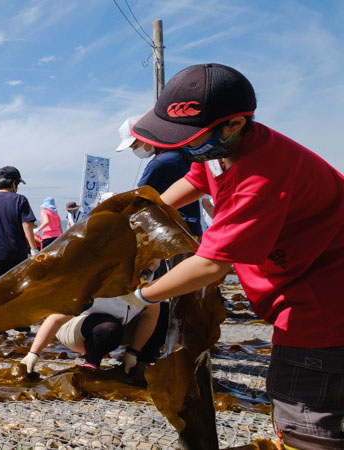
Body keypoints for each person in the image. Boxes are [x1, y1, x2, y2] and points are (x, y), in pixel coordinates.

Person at [123, 63, 344, 449]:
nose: (180, 146)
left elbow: (211, 264)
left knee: (303, 416)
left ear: (235, 124)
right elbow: (193, 182)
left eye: (189, 137)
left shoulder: (262, 175)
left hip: (323, 305)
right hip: (300, 285)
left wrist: (138, 297)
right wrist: (136, 219)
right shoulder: (218, 150)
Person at [21, 263, 165, 374]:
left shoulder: (148, 280)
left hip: (118, 326)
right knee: (109, 328)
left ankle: (141, 361)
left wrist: (133, 352)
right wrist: (34, 353)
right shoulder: (103, 278)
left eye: (155, 263)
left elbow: (151, 316)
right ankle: (92, 362)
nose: (152, 265)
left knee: (165, 310)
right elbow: (57, 318)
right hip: (74, 328)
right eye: (149, 261)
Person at [116, 115, 203, 239]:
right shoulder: (177, 155)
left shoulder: (160, 162)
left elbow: (136, 198)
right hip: (190, 229)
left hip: (174, 232)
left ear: (146, 137)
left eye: (135, 146)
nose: (135, 151)